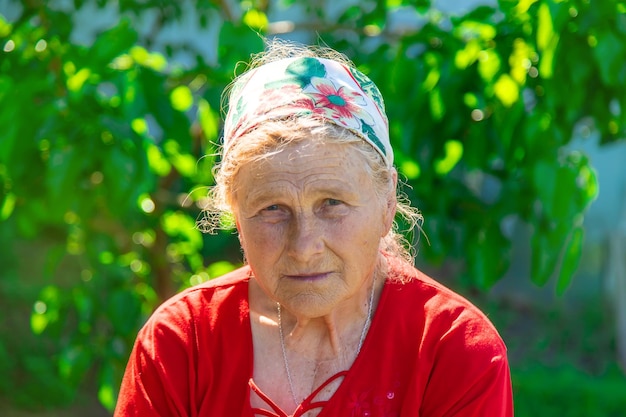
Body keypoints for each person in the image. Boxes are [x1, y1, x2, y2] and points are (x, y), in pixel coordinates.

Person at [114, 40, 514, 417]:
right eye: (273, 208)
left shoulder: (454, 350)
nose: (304, 246)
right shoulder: (184, 342)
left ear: (387, 201)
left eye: (332, 204)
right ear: (236, 214)